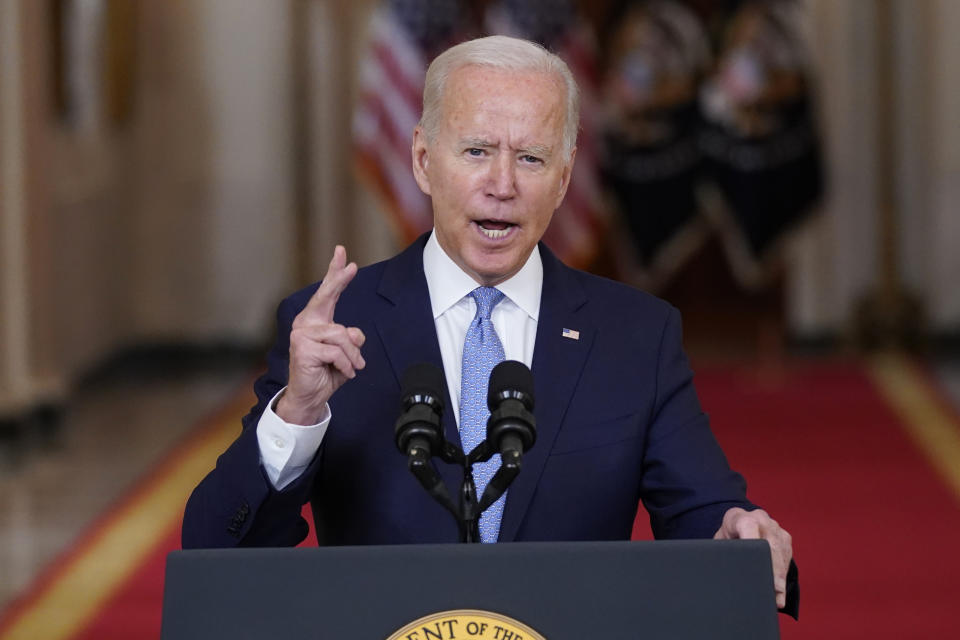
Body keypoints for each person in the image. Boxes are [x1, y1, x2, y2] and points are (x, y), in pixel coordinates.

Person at [182, 35, 796, 615]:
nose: (501, 185)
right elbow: (217, 550)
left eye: (530, 158)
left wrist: (738, 533)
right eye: (476, 152)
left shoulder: (636, 335)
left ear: (563, 177)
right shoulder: (335, 326)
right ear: (423, 160)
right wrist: (296, 414)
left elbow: (706, 512)